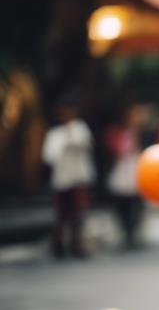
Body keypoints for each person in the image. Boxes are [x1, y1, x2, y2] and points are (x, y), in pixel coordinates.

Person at [42, 91, 95, 257]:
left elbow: (84, 144)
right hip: (61, 180)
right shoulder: (54, 134)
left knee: (78, 214)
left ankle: (77, 244)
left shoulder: (80, 128)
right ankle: (58, 244)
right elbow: (49, 156)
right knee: (61, 215)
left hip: (78, 178)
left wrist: (70, 133)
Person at [104, 103, 147, 249]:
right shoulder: (117, 132)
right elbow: (115, 150)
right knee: (122, 202)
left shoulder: (141, 132)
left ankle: (133, 232)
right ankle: (126, 231)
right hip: (122, 171)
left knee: (136, 203)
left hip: (137, 169)